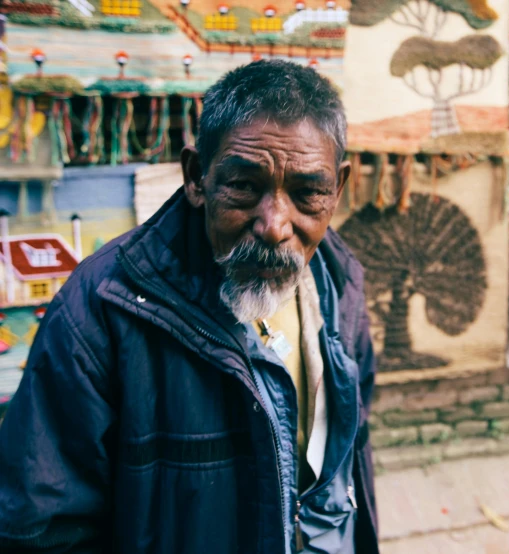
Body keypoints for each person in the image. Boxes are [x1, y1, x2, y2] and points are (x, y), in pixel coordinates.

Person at [0, 60, 378, 554]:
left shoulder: (339, 281)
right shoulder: (101, 309)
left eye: (308, 193)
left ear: (338, 188)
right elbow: (41, 530)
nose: (275, 225)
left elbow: (351, 454)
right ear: (197, 177)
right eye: (244, 186)